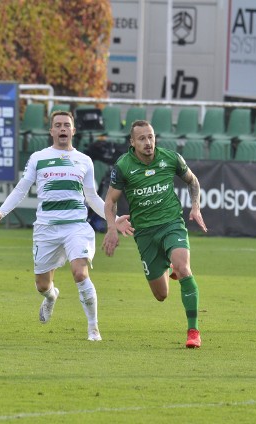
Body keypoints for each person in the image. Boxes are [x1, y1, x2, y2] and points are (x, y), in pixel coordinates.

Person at [0, 111, 133, 341]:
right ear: (52, 131)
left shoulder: (84, 160)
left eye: (67, 124)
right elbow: (21, 189)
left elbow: (93, 197)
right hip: (46, 228)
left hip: (76, 226)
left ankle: (93, 328)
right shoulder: (38, 157)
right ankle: (51, 297)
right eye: (58, 125)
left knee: (79, 272)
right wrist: (1, 212)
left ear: (73, 131)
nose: (63, 128)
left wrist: (112, 221)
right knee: (41, 285)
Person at [102, 120, 208, 348]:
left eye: (150, 137)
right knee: (161, 295)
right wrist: (112, 227)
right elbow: (110, 201)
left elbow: (193, 181)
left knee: (184, 268)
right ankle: (168, 267)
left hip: (172, 224)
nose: (148, 142)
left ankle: (193, 331)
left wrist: (195, 206)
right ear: (132, 142)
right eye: (142, 138)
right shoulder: (123, 166)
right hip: (145, 234)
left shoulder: (170, 158)